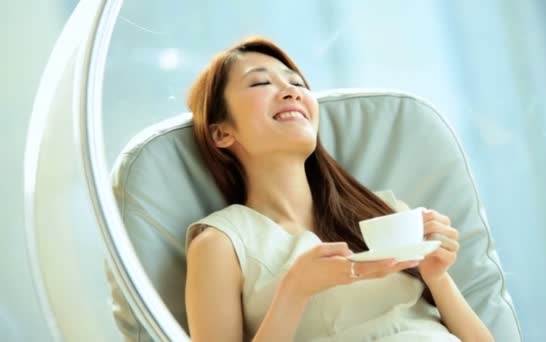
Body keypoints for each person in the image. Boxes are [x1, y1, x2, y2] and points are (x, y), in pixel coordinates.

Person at [184, 36, 493, 342]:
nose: (291, 91)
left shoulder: (385, 213)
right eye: (261, 83)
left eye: (298, 84)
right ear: (222, 133)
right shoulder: (221, 244)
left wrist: (436, 276)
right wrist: (295, 290)